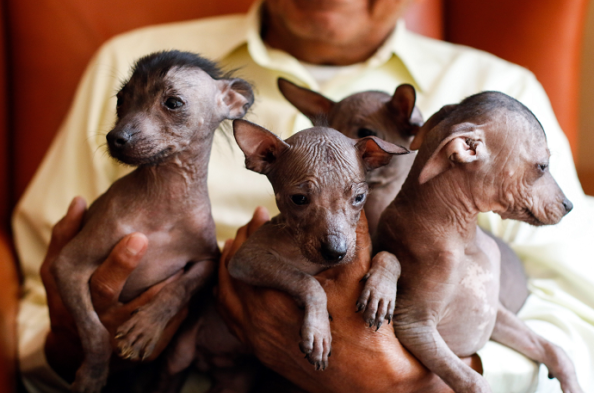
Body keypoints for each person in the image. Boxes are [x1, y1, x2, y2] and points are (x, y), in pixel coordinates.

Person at [13, 0, 594, 392]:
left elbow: (580, 311)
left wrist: (404, 380)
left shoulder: (504, 101)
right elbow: (31, 296)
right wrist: (73, 341)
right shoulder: (138, 69)